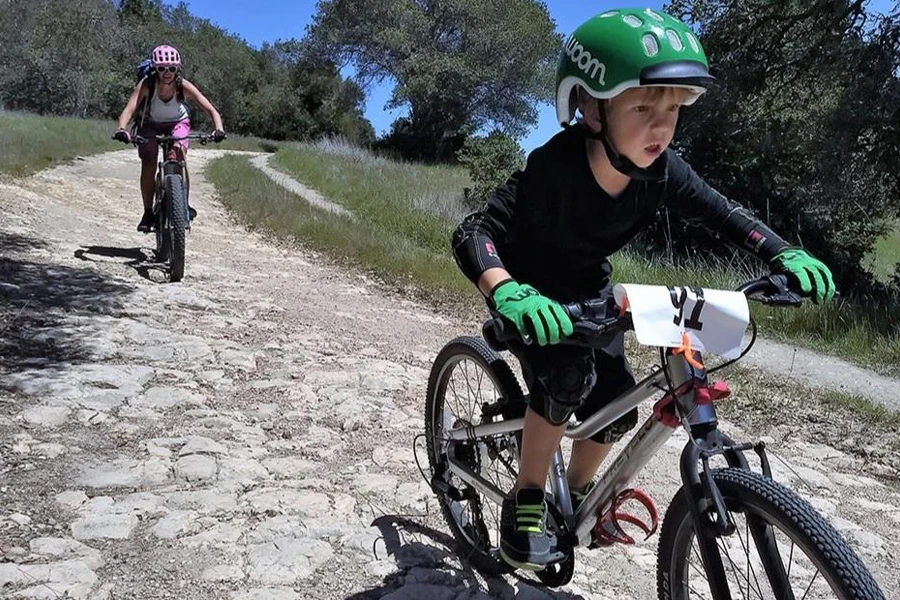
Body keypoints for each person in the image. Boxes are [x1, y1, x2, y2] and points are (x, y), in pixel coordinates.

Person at [451, 8, 835, 571]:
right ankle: (529, 493)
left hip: (589, 292)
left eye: (674, 109)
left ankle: (577, 497)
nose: (662, 126)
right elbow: (474, 232)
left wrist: (781, 251)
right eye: (642, 107)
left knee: (615, 407)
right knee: (564, 377)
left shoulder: (663, 171)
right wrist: (506, 289)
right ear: (589, 106)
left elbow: (724, 213)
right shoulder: (552, 168)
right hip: (530, 293)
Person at [113, 45, 226, 232]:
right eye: (162, 68)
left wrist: (218, 129)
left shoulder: (183, 86)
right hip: (150, 124)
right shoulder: (147, 85)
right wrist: (122, 129)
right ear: (155, 68)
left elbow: (210, 109)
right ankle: (148, 212)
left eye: (172, 68)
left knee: (178, 155)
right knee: (148, 161)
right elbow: (129, 109)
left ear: (177, 69)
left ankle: (183, 203)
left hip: (177, 123)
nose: (167, 73)